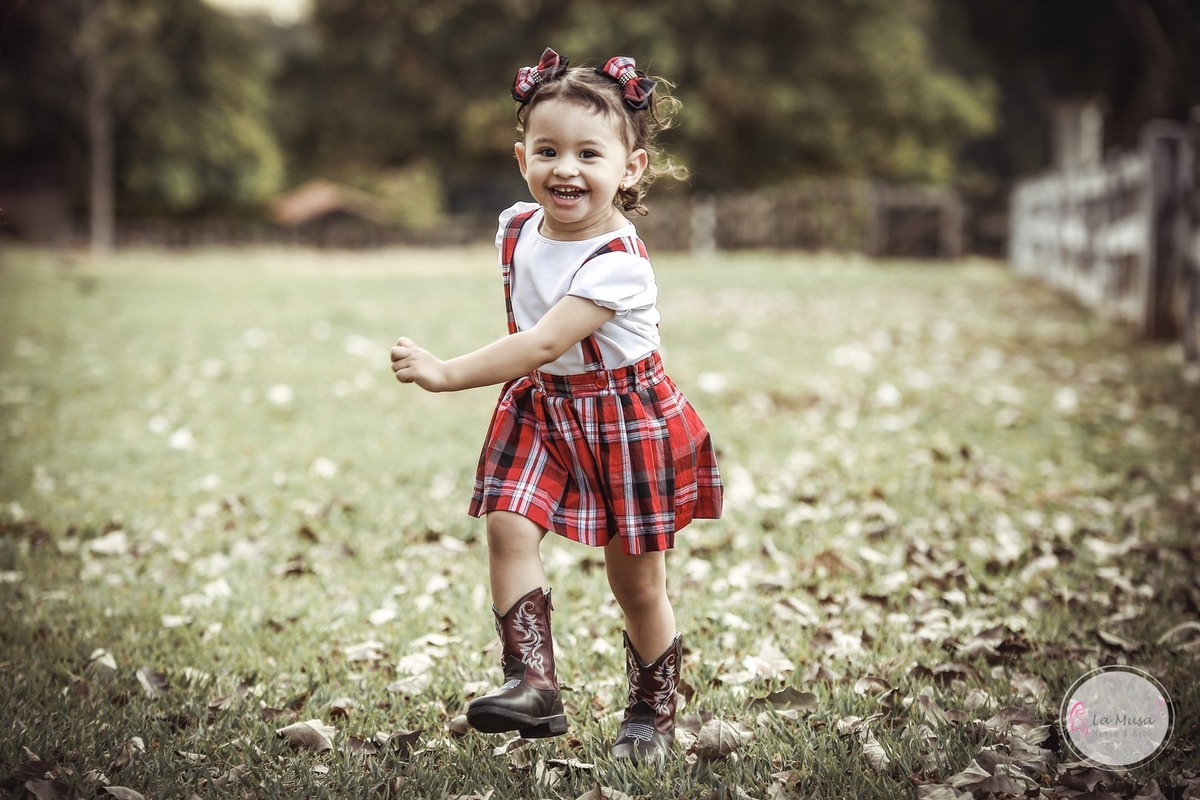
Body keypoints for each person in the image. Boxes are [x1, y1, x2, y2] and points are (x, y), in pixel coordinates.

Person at [390, 47, 722, 762]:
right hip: (544, 409)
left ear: (629, 168)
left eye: (588, 153)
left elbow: (543, 341)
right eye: (547, 150)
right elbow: (539, 352)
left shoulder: (619, 265)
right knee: (507, 522)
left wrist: (447, 372)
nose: (565, 168)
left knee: (634, 583)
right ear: (521, 159)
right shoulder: (517, 226)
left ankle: (651, 715)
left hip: (624, 420)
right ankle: (533, 683)